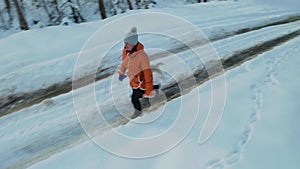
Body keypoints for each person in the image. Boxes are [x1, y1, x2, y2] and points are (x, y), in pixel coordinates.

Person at [118, 27, 157, 119]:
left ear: (134, 43)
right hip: (134, 80)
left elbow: (148, 74)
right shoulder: (126, 51)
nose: (125, 45)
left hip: (142, 81)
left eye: (128, 43)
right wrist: (121, 72)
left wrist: (148, 90)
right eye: (124, 43)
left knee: (134, 98)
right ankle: (153, 90)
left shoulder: (142, 56)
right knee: (138, 92)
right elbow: (125, 62)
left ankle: (138, 113)